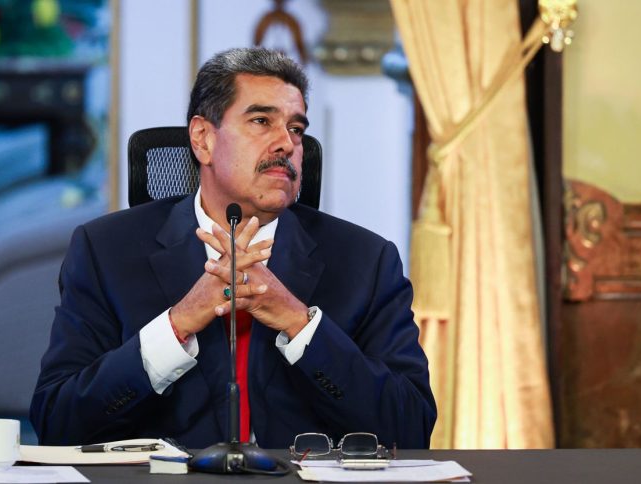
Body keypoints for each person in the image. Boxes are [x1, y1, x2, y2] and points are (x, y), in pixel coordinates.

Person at [30, 47, 436, 449]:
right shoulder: (106, 251)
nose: (286, 144)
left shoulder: (366, 260)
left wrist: (298, 323)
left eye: (296, 129)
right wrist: (179, 323)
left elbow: (411, 428)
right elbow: (58, 422)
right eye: (262, 121)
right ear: (203, 139)